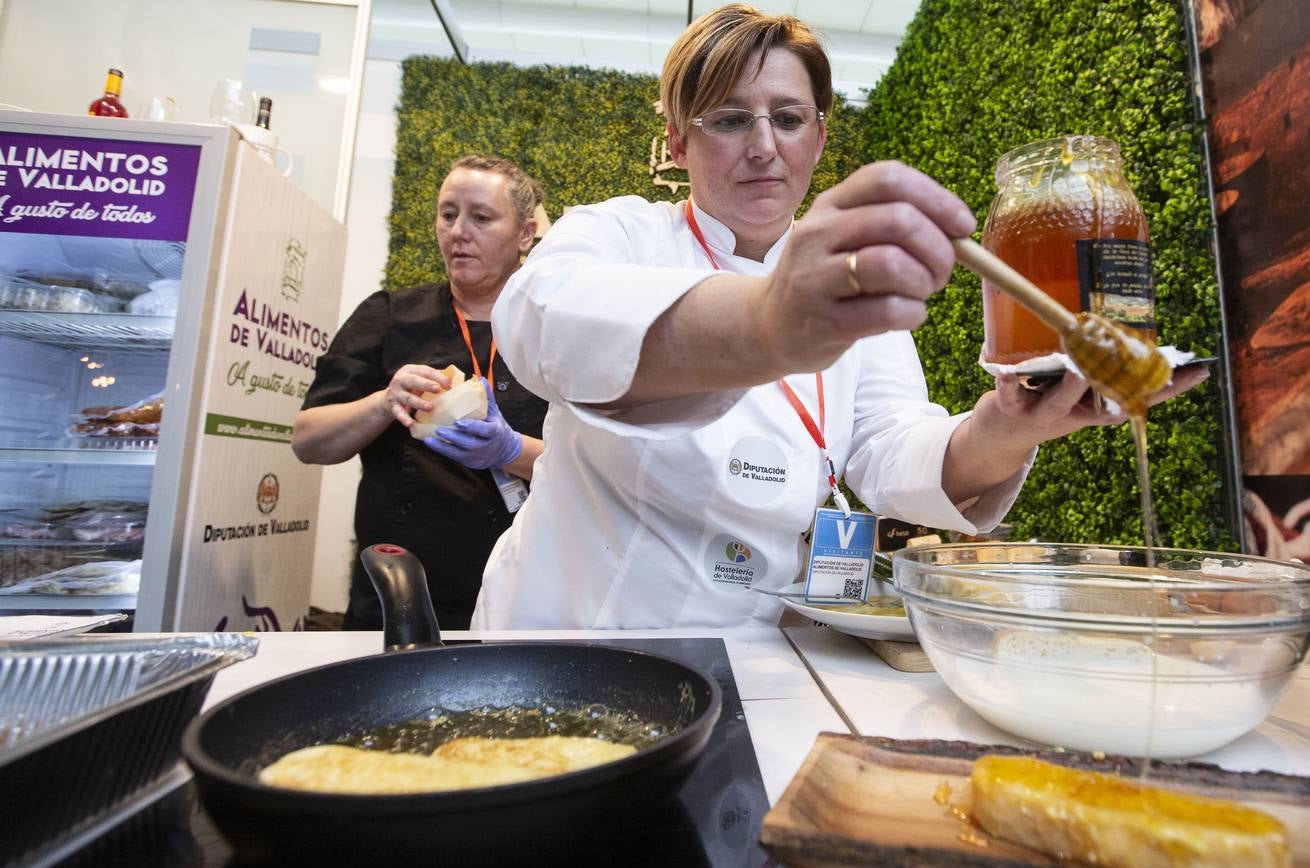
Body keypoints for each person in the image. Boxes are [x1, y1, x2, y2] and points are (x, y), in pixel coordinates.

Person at [473, 4, 1205, 629]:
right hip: (574, 633)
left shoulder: (851, 282)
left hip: (755, 648)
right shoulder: (625, 234)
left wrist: (1006, 429)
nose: (764, 145)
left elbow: (891, 452)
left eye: (788, 118)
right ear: (678, 141)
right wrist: (767, 323)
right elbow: (540, 323)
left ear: (819, 138)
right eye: (730, 119)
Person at [293, 155, 550, 630]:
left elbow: (594, 467)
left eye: (481, 217)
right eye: (448, 214)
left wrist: (509, 449)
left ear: (525, 233)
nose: (458, 232)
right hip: (401, 595)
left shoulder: (552, 329)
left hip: (526, 597)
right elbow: (308, 441)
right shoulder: (390, 317)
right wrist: (385, 402)